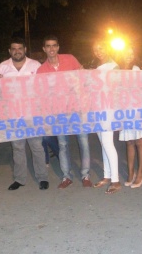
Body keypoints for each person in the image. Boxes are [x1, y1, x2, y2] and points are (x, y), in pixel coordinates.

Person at [37, 35, 92, 188]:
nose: (51, 49)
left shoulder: (70, 59)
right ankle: (66, 176)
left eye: (54, 45)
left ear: (58, 47)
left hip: (77, 109)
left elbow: (83, 78)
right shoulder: (41, 70)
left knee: (84, 143)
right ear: (44, 49)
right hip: (58, 113)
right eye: (48, 46)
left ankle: (85, 175)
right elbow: (42, 93)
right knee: (63, 145)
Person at [0, 37, 49, 191]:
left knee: (37, 147)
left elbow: (44, 86)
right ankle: (19, 179)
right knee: (17, 148)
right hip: (13, 115)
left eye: (20, 48)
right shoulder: (2, 67)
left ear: (25, 50)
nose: (17, 51)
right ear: (9, 51)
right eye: (14, 49)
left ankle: (43, 178)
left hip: (33, 113)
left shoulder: (35, 65)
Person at [91, 40, 121, 194]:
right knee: (103, 143)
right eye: (96, 49)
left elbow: (117, 88)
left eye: (101, 47)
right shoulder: (96, 66)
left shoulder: (113, 66)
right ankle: (107, 175)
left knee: (108, 143)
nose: (98, 51)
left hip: (108, 109)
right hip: (97, 108)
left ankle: (115, 180)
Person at [118, 46, 142, 189]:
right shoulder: (117, 71)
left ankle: (140, 173)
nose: (128, 55)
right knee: (129, 142)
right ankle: (131, 172)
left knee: (139, 141)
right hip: (125, 111)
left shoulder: (137, 70)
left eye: (131, 52)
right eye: (125, 53)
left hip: (137, 110)